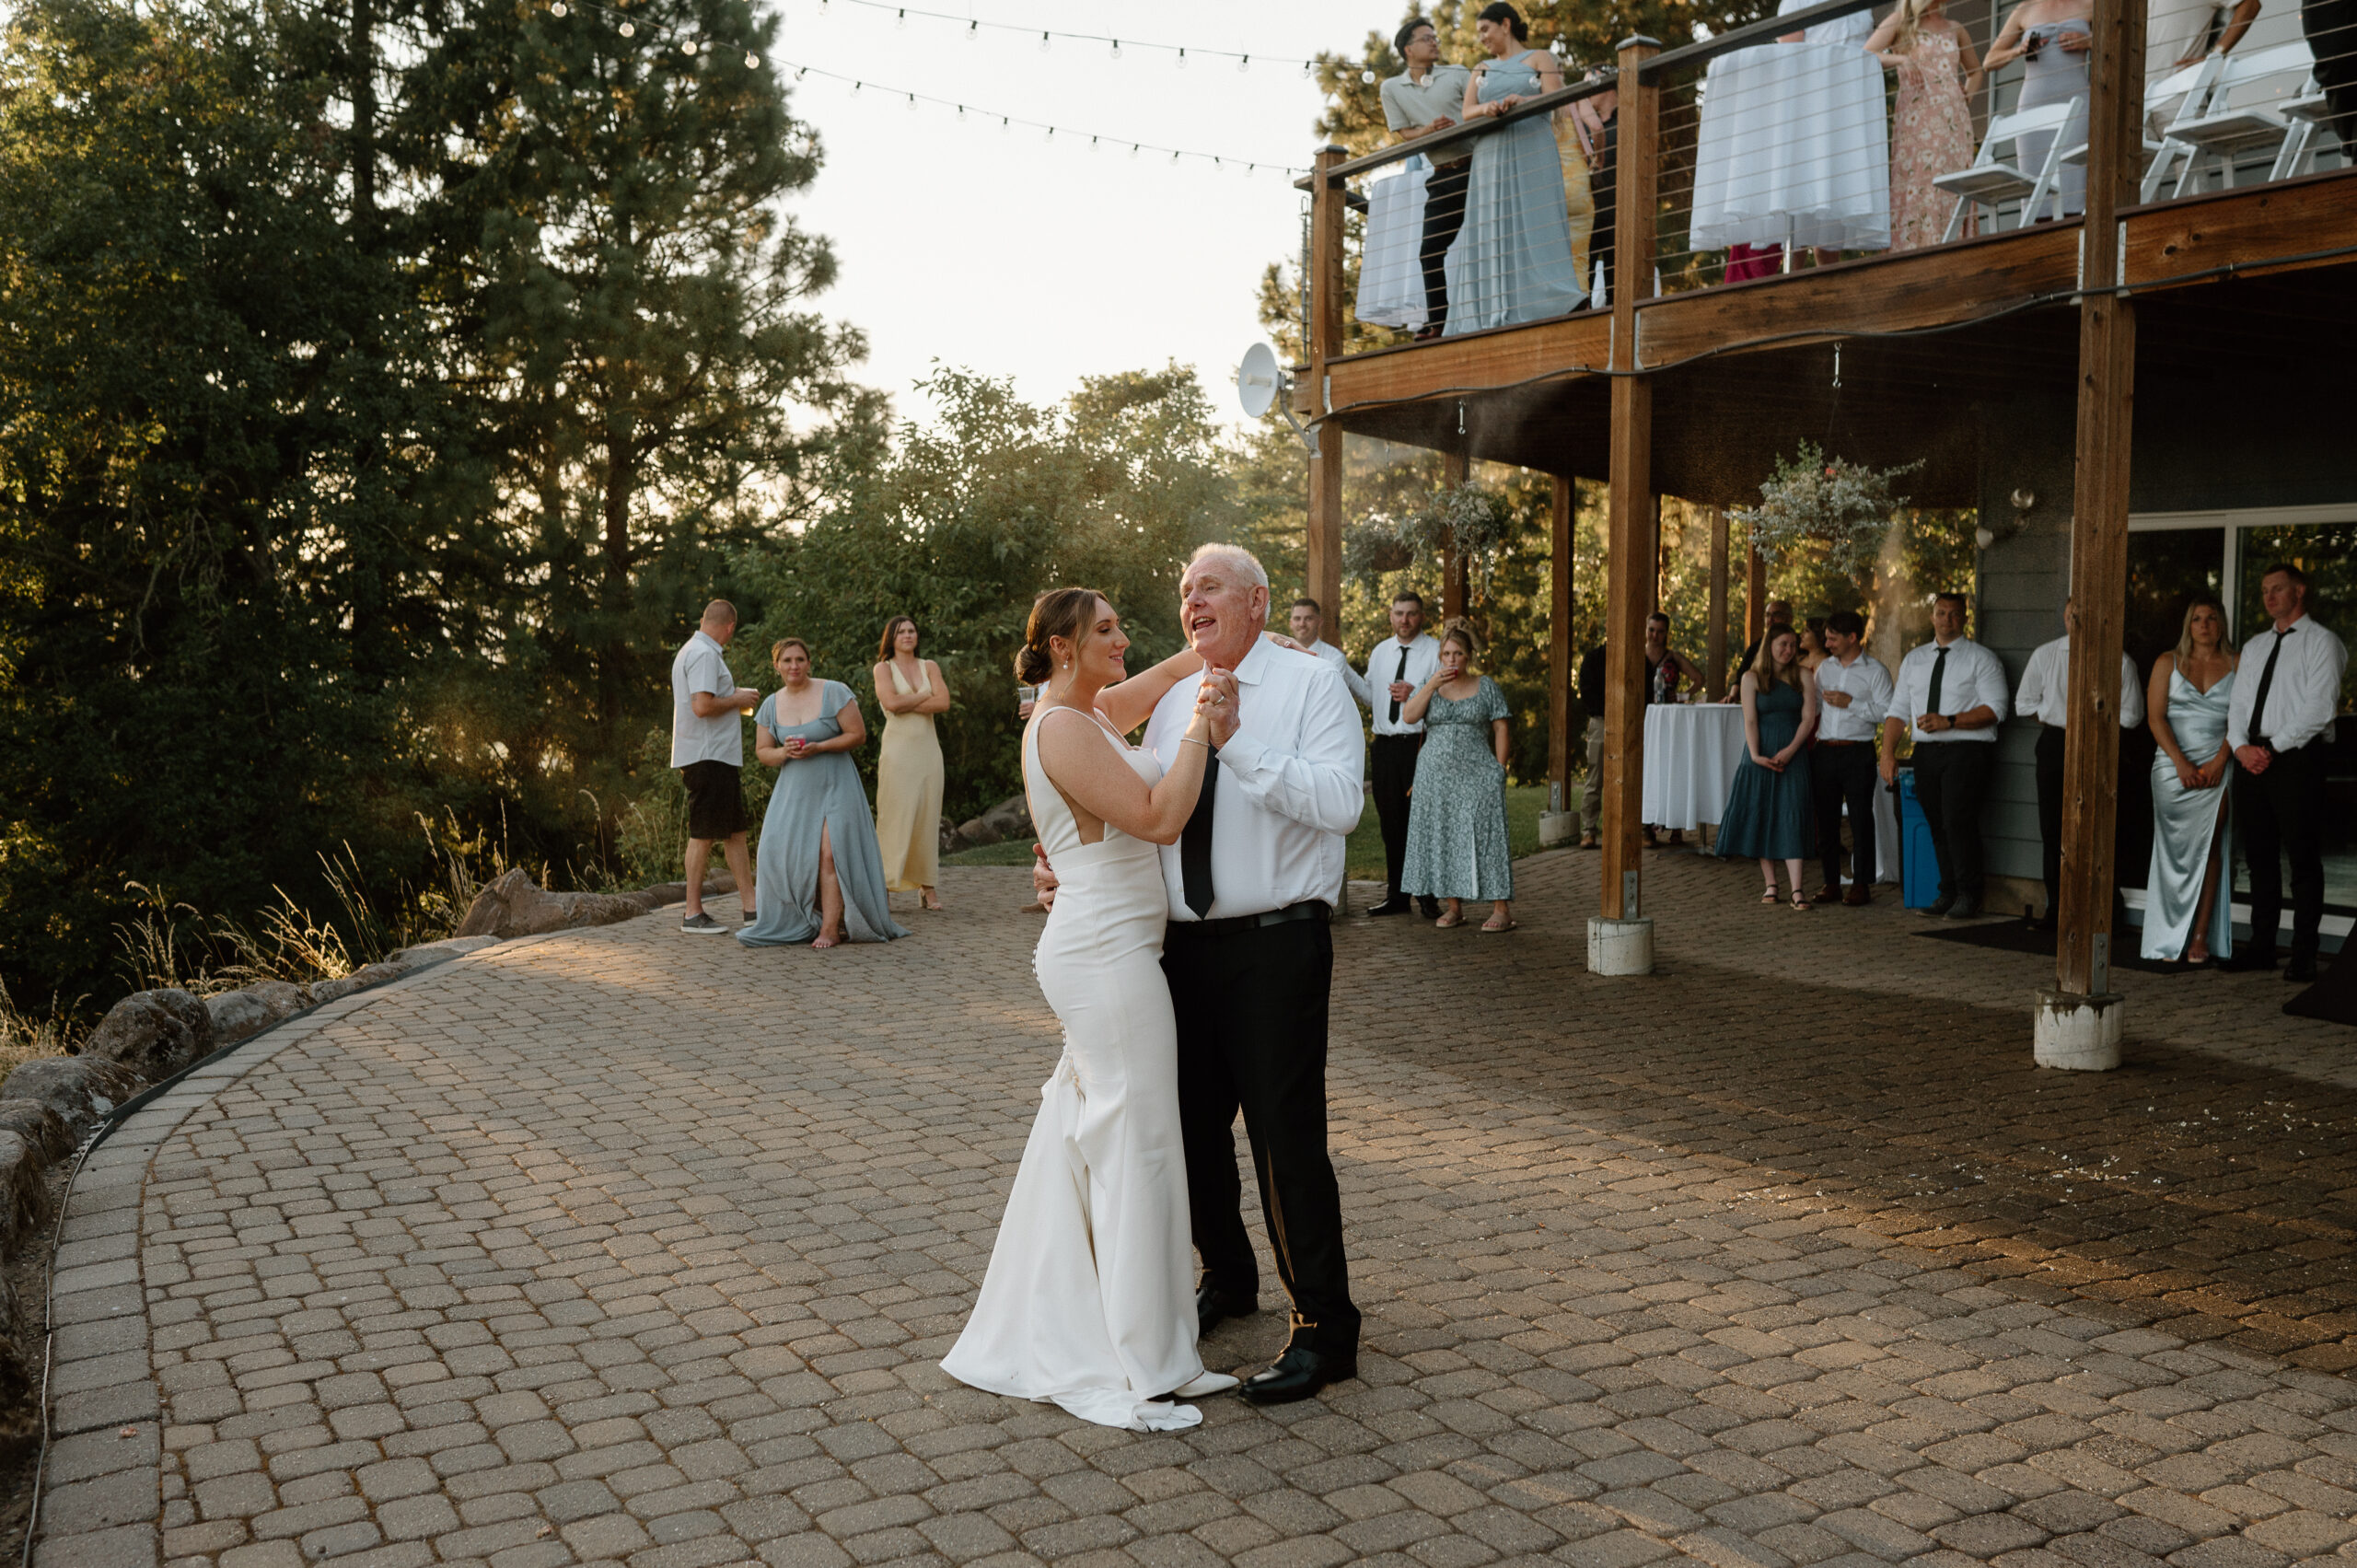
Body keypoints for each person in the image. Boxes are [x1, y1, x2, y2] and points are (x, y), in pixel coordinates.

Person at [941, 589, 1237, 1432]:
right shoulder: (1064, 727)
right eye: (1105, 628)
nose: (1122, 637)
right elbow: (1158, 815)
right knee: (1139, 1147)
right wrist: (1198, 731)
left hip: (1115, 951)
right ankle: (1143, 1360)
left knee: (1107, 1138)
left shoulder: (1094, 709)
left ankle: (1133, 1335)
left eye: (1120, 625)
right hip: (1106, 958)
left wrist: (1212, 647)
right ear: (1063, 647)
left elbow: (1174, 669)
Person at [737, 640, 907, 949]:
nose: (794, 666)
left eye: (800, 659)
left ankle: (829, 929)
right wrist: (783, 752)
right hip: (794, 791)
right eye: (787, 660)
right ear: (776, 666)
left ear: (809, 662)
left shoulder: (834, 691)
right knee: (779, 856)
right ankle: (802, 917)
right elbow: (763, 752)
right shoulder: (770, 706)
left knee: (831, 853)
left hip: (836, 784)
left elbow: (858, 735)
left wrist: (821, 746)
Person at [2223, 563, 2348, 981]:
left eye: (2277, 589)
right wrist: (2241, 747)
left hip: (2295, 758)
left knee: (2302, 858)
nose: (2269, 597)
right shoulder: (2255, 646)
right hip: (2252, 758)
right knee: (2259, 857)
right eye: (2263, 590)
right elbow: (2238, 703)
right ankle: (2261, 947)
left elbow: (2319, 708)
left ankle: (2304, 953)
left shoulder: (2322, 643)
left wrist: (2270, 749)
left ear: (2299, 591)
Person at [1446, 4, 1586, 335]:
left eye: (1485, 30)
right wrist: (1488, 107)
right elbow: (1466, 111)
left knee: (1536, 216)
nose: (1482, 38)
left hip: (1532, 146)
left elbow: (1558, 103)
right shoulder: (1481, 68)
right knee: (1493, 220)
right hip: (1491, 153)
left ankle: (1548, 300)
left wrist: (1523, 103)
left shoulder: (1540, 58)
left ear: (1505, 25)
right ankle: (1489, 308)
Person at [2015, 598, 2147, 931]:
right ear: (2064, 616)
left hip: (2100, 743)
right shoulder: (2046, 655)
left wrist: (2094, 722)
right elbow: (2024, 704)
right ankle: (2058, 910)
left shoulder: (2118, 661)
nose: (2077, 620)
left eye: (2084, 615)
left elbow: (2132, 716)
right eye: (2072, 614)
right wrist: (2059, 720)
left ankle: (2106, 912)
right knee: (2053, 827)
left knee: (2100, 825)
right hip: (2055, 743)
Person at [1880, 592, 2009, 918]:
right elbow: (1897, 711)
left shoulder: (1982, 658)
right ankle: (1947, 890)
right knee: (1936, 822)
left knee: (1957, 821)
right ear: (1931, 617)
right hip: (1926, 753)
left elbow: (1997, 709)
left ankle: (1970, 893)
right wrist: (1887, 753)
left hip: (1966, 751)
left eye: (1954, 614)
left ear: (1964, 618)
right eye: (1941, 613)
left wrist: (1949, 721)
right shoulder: (1915, 659)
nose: (1946, 619)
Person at [1399, 621, 1517, 932]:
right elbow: (1410, 716)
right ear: (1440, 656)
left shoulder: (1486, 685)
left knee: (1486, 835)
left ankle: (1501, 909)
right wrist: (1430, 686)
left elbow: (1501, 727)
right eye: (1447, 653)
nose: (1452, 660)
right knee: (1444, 836)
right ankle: (1454, 907)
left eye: (1458, 654)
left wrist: (1499, 768)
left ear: (1469, 656)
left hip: (1477, 771)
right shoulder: (1431, 685)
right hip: (1434, 775)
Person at [2142, 597, 2238, 964]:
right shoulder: (2168, 662)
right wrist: (2181, 763)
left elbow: (2241, 718)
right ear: (2188, 624)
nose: (2204, 625)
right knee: (2173, 850)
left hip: (2218, 764)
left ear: (2221, 624)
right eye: (2197, 618)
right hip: (2172, 767)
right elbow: (2155, 718)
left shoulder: (2237, 663)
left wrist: (2219, 760)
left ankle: (2200, 935)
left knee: (2210, 845)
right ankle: (2169, 936)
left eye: (2211, 618)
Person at [1381, 18, 1476, 339]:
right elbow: (1405, 132)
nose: (1434, 42)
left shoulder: (1459, 73)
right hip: (1442, 174)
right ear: (1409, 49)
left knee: (1491, 240)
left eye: (1435, 37)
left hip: (1480, 168)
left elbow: (1476, 108)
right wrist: (1428, 130)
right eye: (1426, 38)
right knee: (1430, 250)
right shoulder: (1392, 88)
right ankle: (1439, 323)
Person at [670, 599, 761, 935]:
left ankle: (752, 908)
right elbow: (702, 706)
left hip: (717, 756)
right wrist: (738, 699)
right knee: (703, 834)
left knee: (735, 832)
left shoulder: (693, 651)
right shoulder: (705, 654)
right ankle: (692, 914)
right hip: (707, 757)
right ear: (730, 627)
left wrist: (733, 698)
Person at [1717, 624, 1821, 908]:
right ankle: (1771, 884)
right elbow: (1749, 719)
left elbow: (1808, 719)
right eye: (1783, 644)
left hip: (1793, 751)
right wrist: (1754, 754)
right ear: (1769, 645)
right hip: (1759, 753)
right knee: (1763, 812)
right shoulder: (1751, 678)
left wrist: (1790, 750)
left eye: (1792, 645)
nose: (1788, 650)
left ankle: (1797, 889)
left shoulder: (1803, 675)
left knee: (1793, 812)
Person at [1868, 0, 1985, 251]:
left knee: (1952, 185)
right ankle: (1914, 251)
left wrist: (1966, 95)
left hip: (1954, 124)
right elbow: (1866, 53)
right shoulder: (1900, 20)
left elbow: (1976, 71)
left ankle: (1954, 249)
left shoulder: (1956, 28)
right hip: (1917, 120)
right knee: (1919, 181)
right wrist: (1901, 59)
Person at [1364, 592, 1444, 916]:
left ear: (1422, 616)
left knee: (1420, 822)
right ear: (1391, 615)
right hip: (1384, 746)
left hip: (1419, 745)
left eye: (1411, 614)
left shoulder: (1436, 650)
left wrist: (1417, 694)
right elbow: (1371, 697)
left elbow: (1449, 699)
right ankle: (1397, 896)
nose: (1405, 620)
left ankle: (1427, 896)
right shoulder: (1381, 651)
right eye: (1399, 613)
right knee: (1391, 824)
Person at [1810, 610, 1893, 904]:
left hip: (1858, 751)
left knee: (1860, 820)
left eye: (1833, 638)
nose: (1828, 643)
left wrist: (1852, 703)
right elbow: (1815, 708)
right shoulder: (1824, 669)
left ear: (1852, 638)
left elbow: (1887, 712)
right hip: (1824, 751)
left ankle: (1861, 884)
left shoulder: (1876, 671)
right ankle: (1830, 882)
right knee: (1827, 820)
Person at [1985, 0, 2094, 219]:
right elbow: (1989, 61)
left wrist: (2089, 41)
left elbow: (2115, 41)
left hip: (2077, 100)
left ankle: (2074, 237)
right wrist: (2018, 50)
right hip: (2034, 104)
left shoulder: (2090, 4)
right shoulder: (2024, 9)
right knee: (2035, 184)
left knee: (2074, 176)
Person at [872, 616, 951, 912]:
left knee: (927, 817)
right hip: (898, 752)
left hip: (928, 751)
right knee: (895, 818)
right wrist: (923, 695)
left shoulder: (929, 666)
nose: (908, 635)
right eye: (901, 631)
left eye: (912, 631)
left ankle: (927, 887)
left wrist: (909, 701)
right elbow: (890, 704)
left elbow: (943, 703)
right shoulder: (883, 668)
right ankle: (884, 886)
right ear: (891, 637)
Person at [1643, 612, 1707, 848]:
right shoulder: (1637, 654)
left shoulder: (1673, 657)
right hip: (1642, 716)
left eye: (1660, 631)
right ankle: (1647, 826)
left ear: (1667, 633)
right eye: (1651, 630)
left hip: (1669, 717)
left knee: (1671, 767)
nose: (1655, 635)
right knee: (1647, 769)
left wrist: (1683, 696)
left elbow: (1699, 678)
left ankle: (1676, 828)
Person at [1570, 79, 1618, 301]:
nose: (1587, 91)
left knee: (1615, 283)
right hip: (1589, 213)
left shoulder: (1627, 122)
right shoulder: (1586, 129)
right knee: (1583, 276)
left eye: (1592, 83)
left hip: (1617, 214)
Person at [1289, 596, 1372, 708]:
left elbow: (1329, 697)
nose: (1302, 624)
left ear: (1319, 622)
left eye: (1308, 618)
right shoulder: (1283, 654)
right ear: (1291, 623)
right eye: (1297, 619)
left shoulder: (1334, 657)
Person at [1577, 640, 1609, 849]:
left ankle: (1640, 829)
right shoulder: (1594, 658)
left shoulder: (1637, 657)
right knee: (1595, 776)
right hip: (1600, 721)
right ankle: (1588, 830)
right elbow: (1586, 689)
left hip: (1631, 723)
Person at [1734, 599, 1795, 688]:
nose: (1770, 620)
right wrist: (1732, 695)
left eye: (1776, 615)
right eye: (1767, 615)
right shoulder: (1756, 647)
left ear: (1789, 618)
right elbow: (1740, 678)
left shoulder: (1800, 644)